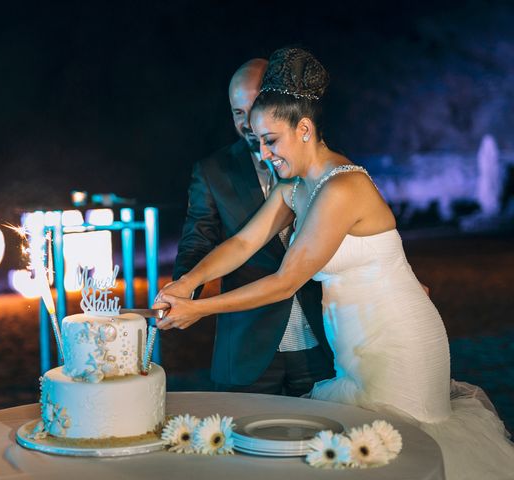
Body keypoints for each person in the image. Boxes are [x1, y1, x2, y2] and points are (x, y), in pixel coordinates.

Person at [156, 47, 514, 478]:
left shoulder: (341, 189)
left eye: (271, 141)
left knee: (403, 454)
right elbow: (242, 243)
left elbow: (286, 281)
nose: (265, 155)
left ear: (303, 128)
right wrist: (187, 283)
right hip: (353, 346)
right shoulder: (295, 185)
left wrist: (200, 309)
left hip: (396, 340)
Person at [170, 58, 334, 395]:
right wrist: (185, 289)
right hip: (249, 343)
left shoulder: (324, 169)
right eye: (237, 112)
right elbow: (205, 240)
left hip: (323, 336)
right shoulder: (213, 171)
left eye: (255, 106)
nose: (247, 124)